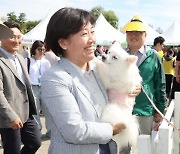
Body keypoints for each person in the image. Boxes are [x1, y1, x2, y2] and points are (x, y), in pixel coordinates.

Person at [40, 7, 141, 154]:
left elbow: (121, 80)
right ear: (63, 43)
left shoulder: (97, 67)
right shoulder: (55, 78)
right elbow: (74, 130)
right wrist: (112, 129)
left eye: (92, 32)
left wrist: (131, 87)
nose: (92, 39)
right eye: (84, 34)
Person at [0, 21, 41, 154]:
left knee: (35, 142)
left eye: (19, 37)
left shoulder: (21, 58)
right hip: (9, 116)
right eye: (12, 36)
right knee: (12, 151)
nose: (17, 40)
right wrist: (11, 116)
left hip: (26, 112)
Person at [121, 15, 166, 135]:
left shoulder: (153, 56)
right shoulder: (119, 55)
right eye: (130, 32)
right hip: (121, 109)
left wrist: (159, 110)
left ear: (145, 35)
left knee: (143, 145)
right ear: (126, 35)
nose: (133, 35)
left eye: (138, 32)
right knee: (122, 149)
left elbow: (160, 84)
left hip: (144, 111)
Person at [25, 40, 50, 132]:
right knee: (35, 111)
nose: (42, 52)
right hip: (33, 87)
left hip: (45, 87)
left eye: (44, 49)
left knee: (48, 110)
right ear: (34, 50)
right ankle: (37, 130)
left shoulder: (46, 62)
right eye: (40, 49)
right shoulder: (28, 61)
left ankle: (50, 130)